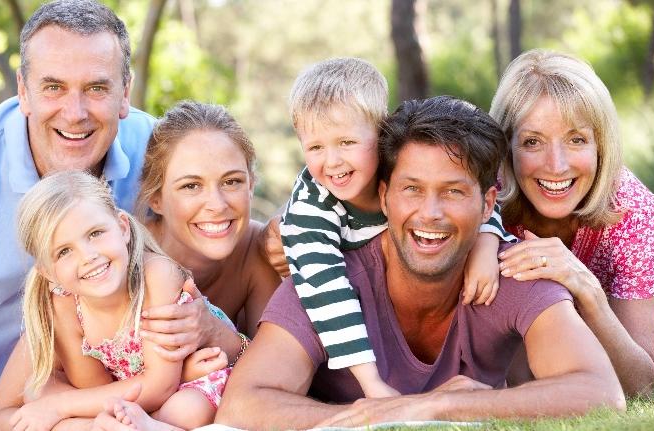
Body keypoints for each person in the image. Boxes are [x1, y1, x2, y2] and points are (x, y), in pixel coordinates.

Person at [216, 96, 625, 429]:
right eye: (412, 189)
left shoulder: (513, 270)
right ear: (383, 197)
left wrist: (436, 408)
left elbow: (600, 391)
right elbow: (243, 404)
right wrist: (372, 418)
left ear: (486, 205)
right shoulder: (328, 278)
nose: (430, 213)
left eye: (452, 192)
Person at [0, 1, 159, 428]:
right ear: (23, 90)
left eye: (96, 88)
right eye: (53, 87)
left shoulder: (153, 149)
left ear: (124, 93)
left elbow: (218, 221)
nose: (74, 113)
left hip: (65, 394)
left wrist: (265, 242)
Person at [278, 58, 517, 398]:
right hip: (327, 317)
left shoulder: (402, 167)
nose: (332, 162)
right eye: (315, 147)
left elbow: (471, 192)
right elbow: (326, 294)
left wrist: (486, 244)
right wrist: (371, 384)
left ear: (381, 132)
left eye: (346, 143)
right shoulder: (309, 213)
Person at [87, 101, 282, 431]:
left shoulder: (257, 251)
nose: (217, 205)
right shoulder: (122, 254)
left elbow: (279, 367)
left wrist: (221, 335)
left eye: (232, 181)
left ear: (251, 183)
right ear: (156, 198)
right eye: (191, 186)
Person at [0, 171, 232, 430]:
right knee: (39, 390)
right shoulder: (64, 305)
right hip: (128, 398)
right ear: (48, 272)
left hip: (192, 382)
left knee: (182, 411)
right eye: (64, 251)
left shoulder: (157, 274)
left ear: (123, 227)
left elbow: (161, 386)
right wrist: (57, 404)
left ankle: (154, 425)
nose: (88, 256)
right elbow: (97, 389)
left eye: (95, 233)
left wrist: (58, 406)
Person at [490, 49, 654, 396]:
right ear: (506, 148)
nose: (556, 166)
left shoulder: (636, 212)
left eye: (576, 139)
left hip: (615, 297)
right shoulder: (484, 197)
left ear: (601, 145)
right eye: (532, 141)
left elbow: (641, 384)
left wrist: (587, 289)